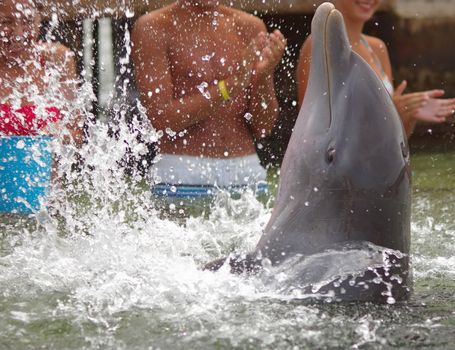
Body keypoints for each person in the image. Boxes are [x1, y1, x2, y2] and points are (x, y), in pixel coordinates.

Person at [132, 0, 286, 191]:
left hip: (245, 170)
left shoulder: (251, 26)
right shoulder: (153, 26)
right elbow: (161, 119)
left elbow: (264, 127)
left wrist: (263, 77)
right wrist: (229, 86)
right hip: (180, 172)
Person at [297, 0, 455, 138]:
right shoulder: (319, 45)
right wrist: (389, 117)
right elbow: (311, 136)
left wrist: (406, 115)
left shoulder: (378, 48)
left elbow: (393, 143)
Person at [0, 0, 83, 144]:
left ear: (39, 19)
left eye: (27, 21)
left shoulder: (57, 59)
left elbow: (77, 136)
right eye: (6, 23)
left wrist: (59, 133)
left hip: (44, 166)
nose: (18, 34)